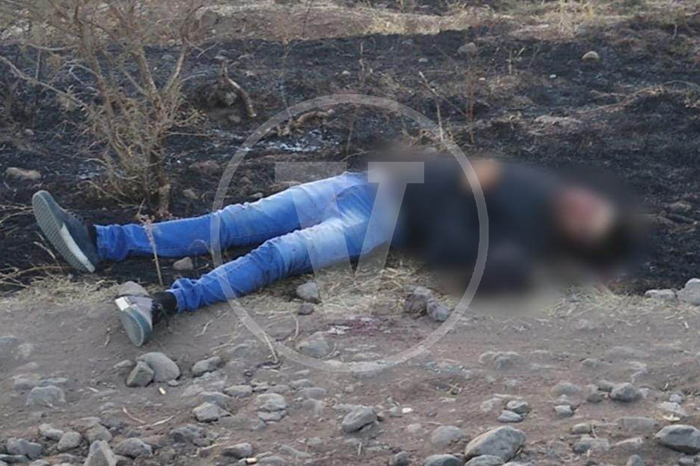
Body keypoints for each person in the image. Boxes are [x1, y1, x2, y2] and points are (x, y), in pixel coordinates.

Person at [32, 159, 640, 347]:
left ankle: (166, 304)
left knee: (276, 255)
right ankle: (100, 242)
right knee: (232, 220)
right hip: (355, 184)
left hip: (374, 223)